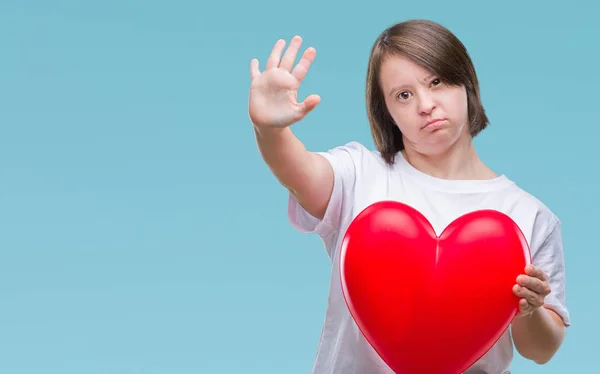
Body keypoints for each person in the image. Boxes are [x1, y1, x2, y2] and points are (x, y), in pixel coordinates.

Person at [247, 19, 570, 374]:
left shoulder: (528, 214)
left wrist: (531, 308)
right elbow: (296, 171)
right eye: (404, 95)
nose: (425, 104)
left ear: (465, 82)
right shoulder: (359, 176)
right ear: (388, 112)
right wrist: (269, 129)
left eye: (436, 82)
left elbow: (540, 351)